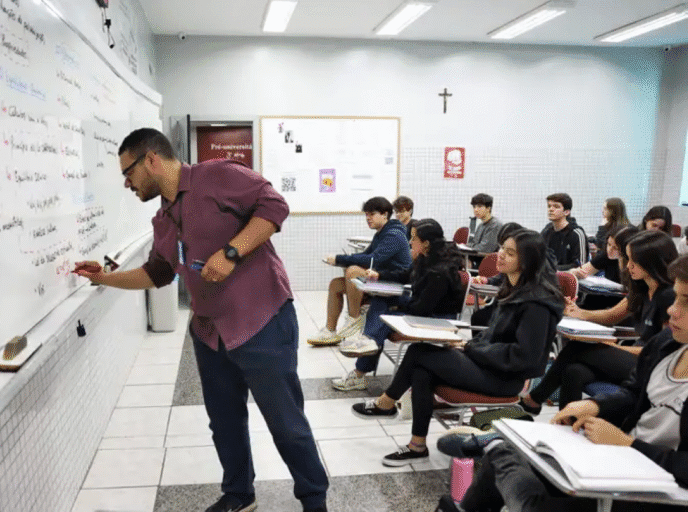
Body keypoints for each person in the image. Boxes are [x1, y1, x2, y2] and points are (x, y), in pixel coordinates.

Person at [74, 128, 328, 512]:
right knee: (224, 422)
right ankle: (239, 494)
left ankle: (313, 499)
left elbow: (275, 206)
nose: (126, 183)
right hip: (210, 333)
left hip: (261, 321)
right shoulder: (163, 218)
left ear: (151, 160)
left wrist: (231, 252)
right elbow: (158, 273)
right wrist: (104, 278)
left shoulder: (217, 176)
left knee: (285, 421)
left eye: (128, 172)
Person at [436, 253, 688, 512]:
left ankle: (499, 447)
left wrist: (628, 443)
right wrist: (596, 406)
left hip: (657, 484)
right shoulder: (666, 345)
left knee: (531, 498)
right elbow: (633, 393)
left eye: (686, 301)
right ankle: (502, 449)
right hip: (623, 461)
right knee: (528, 450)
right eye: (676, 298)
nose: (672, 310)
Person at [351, 229, 564, 467]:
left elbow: (523, 356)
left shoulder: (536, 305)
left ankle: (387, 402)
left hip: (505, 378)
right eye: (502, 248)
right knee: (422, 370)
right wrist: (467, 346)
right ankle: (416, 445)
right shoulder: (513, 289)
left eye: (510, 253)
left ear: (527, 262)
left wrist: (472, 349)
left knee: (419, 352)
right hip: (488, 364)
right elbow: (492, 336)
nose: (501, 255)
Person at [521, 229, 678, 412]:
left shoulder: (669, 297)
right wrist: (579, 312)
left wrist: (613, 347)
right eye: (628, 259)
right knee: (574, 371)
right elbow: (611, 315)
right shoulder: (642, 288)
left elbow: (662, 351)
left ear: (652, 262)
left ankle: (534, 399)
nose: (628, 266)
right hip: (635, 358)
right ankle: (567, 421)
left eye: (634, 261)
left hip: (652, 365)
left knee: (577, 347)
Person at [331, 219, 465, 391]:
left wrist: (396, 309)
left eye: (414, 238)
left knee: (383, 318)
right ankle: (368, 342)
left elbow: (421, 309)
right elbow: (406, 275)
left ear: (426, 244)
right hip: (423, 305)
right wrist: (379, 275)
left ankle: (364, 356)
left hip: (437, 317)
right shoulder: (426, 258)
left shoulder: (440, 272)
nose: (410, 242)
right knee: (380, 299)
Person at [308, 197, 411, 346]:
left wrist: (339, 259)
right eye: (366, 214)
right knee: (335, 285)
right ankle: (330, 331)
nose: (368, 218)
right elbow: (366, 255)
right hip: (381, 278)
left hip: (396, 283)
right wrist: (341, 260)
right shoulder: (382, 233)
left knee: (353, 271)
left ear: (385, 214)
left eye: (372, 214)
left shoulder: (394, 235)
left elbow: (372, 259)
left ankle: (353, 319)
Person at [541, 192, 588, 270]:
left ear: (566, 212)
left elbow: (581, 266)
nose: (551, 209)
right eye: (549, 206)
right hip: (550, 274)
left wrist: (553, 269)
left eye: (556, 207)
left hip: (568, 275)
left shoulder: (576, 233)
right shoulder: (546, 230)